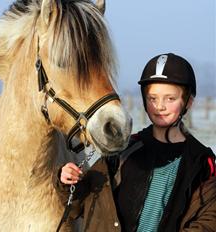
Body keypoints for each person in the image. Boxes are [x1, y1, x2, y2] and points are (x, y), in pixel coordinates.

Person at [53, 53, 216, 232]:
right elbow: (82, 205)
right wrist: (68, 181)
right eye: (153, 98)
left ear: (188, 102)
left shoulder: (201, 160)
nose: (160, 106)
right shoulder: (125, 150)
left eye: (170, 98)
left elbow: (209, 219)